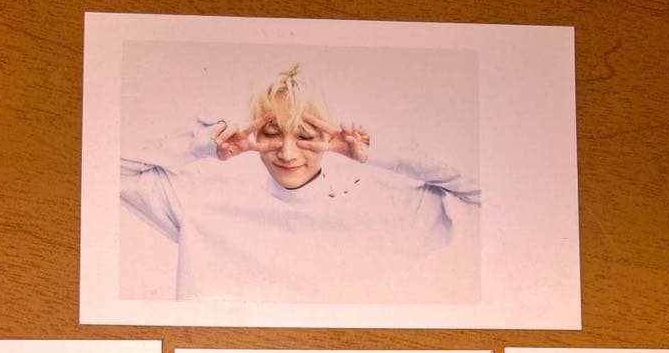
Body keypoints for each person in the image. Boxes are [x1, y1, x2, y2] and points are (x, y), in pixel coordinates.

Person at [120, 62, 480, 303]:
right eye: (272, 134)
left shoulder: (384, 209)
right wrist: (201, 145)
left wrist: (375, 152)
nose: (288, 153)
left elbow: (483, 193)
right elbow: (106, 172)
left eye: (306, 136)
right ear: (254, 132)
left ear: (331, 135)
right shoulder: (203, 200)